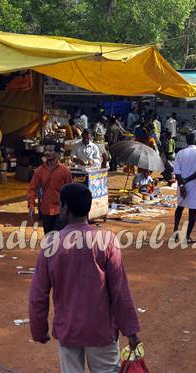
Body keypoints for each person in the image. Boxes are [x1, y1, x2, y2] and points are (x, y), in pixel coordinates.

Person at [28, 183, 140, 373]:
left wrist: (39, 330)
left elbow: (38, 295)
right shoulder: (106, 241)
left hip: (68, 329)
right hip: (101, 330)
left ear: (65, 208)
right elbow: (120, 291)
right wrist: (131, 331)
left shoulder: (51, 245)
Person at [28, 140, 73, 234]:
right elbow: (32, 189)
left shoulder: (65, 171)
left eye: (50, 150)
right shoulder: (39, 171)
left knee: (58, 238)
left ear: (57, 153)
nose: (47, 153)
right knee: (48, 238)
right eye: (46, 150)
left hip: (60, 211)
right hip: (46, 210)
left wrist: (69, 211)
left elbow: (70, 192)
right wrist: (31, 204)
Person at [172, 133, 196, 244]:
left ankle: (175, 231)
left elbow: (177, 170)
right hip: (194, 185)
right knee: (192, 211)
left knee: (180, 207)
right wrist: (186, 180)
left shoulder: (180, 153)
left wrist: (182, 184)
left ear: (186, 141)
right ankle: (187, 236)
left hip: (181, 184)